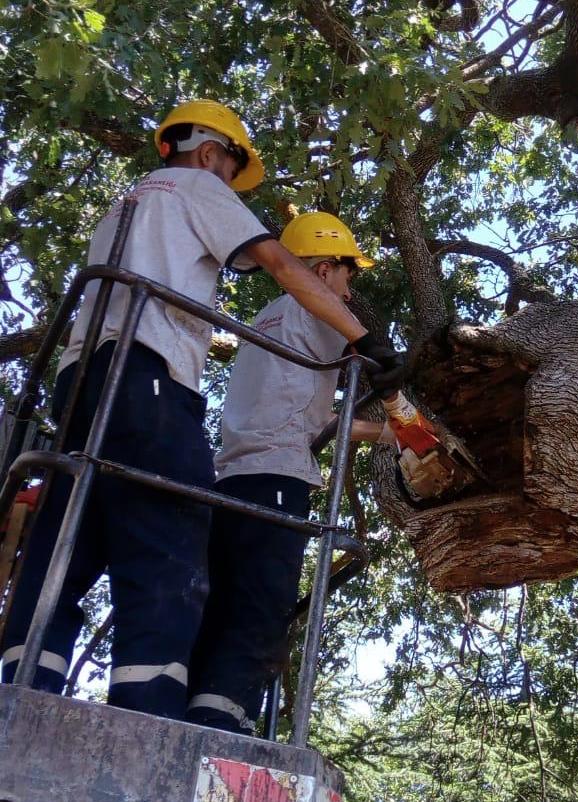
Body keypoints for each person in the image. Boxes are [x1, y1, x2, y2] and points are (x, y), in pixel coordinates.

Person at [0, 101, 401, 720]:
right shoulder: (195, 185)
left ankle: (22, 688)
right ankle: (151, 717)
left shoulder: (127, 203)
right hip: (148, 373)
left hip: (79, 379)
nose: (228, 185)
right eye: (229, 170)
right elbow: (278, 263)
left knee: (72, 534)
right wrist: (372, 345)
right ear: (210, 152)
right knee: (171, 538)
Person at [186, 212, 396, 735]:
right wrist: (405, 410)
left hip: (231, 477)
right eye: (348, 275)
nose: (349, 291)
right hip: (279, 476)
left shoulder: (267, 318)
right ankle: (223, 717)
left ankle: (194, 706)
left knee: (224, 598)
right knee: (262, 599)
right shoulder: (317, 308)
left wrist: (391, 436)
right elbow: (378, 365)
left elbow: (323, 421)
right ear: (324, 270)